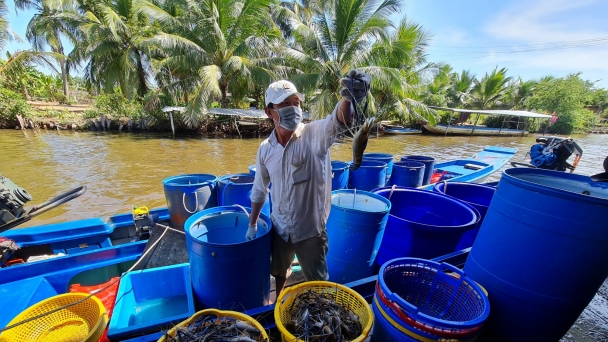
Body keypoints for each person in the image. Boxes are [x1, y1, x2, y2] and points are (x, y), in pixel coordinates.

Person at [247, 70, 371, 299]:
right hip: (280, 228)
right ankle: (279, 299)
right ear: (269, 111)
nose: (293, 109)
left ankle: (321, 308)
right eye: (285, 104)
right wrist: (252, 224)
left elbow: (338, 120)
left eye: (296, 103)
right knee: (279, 271)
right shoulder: (265, 149)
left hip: (310, 231)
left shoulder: (315, 135)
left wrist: (349, 98)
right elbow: (259, 189)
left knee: (318, 281)